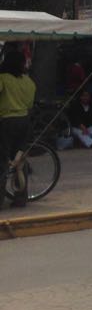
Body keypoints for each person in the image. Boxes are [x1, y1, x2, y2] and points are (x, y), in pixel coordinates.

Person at [0, 47, 37, 208]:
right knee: (19, 159)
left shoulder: (3, 78)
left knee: (2, 160)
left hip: (6, 121)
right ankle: (21, 197)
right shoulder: (28, 81)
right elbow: (29, 104)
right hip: (24, 121)